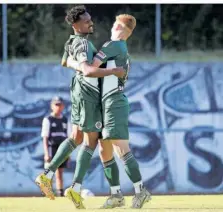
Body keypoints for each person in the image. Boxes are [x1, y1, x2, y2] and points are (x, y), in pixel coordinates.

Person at [35, 5, 125, 205]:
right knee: (91, 141)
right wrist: (114, 71)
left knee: (75, 137)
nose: (90, 23)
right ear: (75, 24)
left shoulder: (71, 41)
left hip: (78, 91)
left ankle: (47, 175)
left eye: (90, 19)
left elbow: (65, 62)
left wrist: (79, 67)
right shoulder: (83, 44)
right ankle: (73, 187)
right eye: (86, 21)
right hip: (88, 93)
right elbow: (88, 71)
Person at [67, 14, 151, 209]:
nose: (112, 27)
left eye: (115, 25)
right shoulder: (122, 50)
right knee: (105, 151)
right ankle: (116, 195)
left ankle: (141, 191)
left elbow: (90, 67)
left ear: (121, 29)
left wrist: (72, 62)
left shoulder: (113, 45)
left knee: (121, 148)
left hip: (114, 102)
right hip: (107, 103)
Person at [41, 96, 70, 197]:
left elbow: (68, 137)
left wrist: (68, 152)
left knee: (60, 172)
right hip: (51, 148)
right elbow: (45, 137)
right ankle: (46, 193)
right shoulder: (48, 119)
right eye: (56, 104)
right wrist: (46, 153)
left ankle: (60, 193)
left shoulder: (65, 120)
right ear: (52, 106)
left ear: (63, 106)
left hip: (62, 149)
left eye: (60, 104)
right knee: (49, 171)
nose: (58, 107)